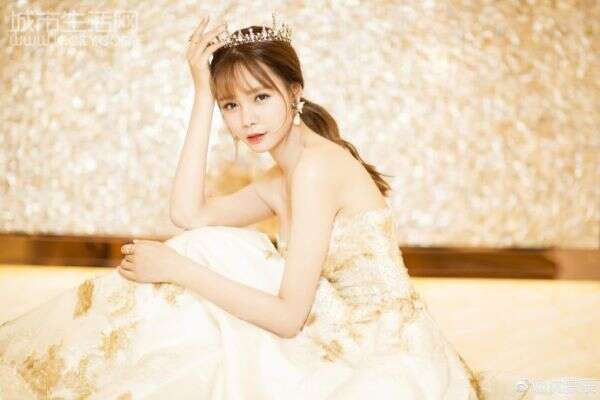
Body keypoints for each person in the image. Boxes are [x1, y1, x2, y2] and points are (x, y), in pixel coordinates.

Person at [0, 12, 589, 400]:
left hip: (380, 347)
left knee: (199, 259)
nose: (246, 118)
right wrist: (201, 96)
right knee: (207, 243)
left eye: (260, 97)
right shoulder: (279, 177)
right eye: (232, 106)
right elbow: (186, 215)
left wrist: (177, 269)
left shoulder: (315, 170)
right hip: (331, 324)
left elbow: (287, 317)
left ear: (295, 93)